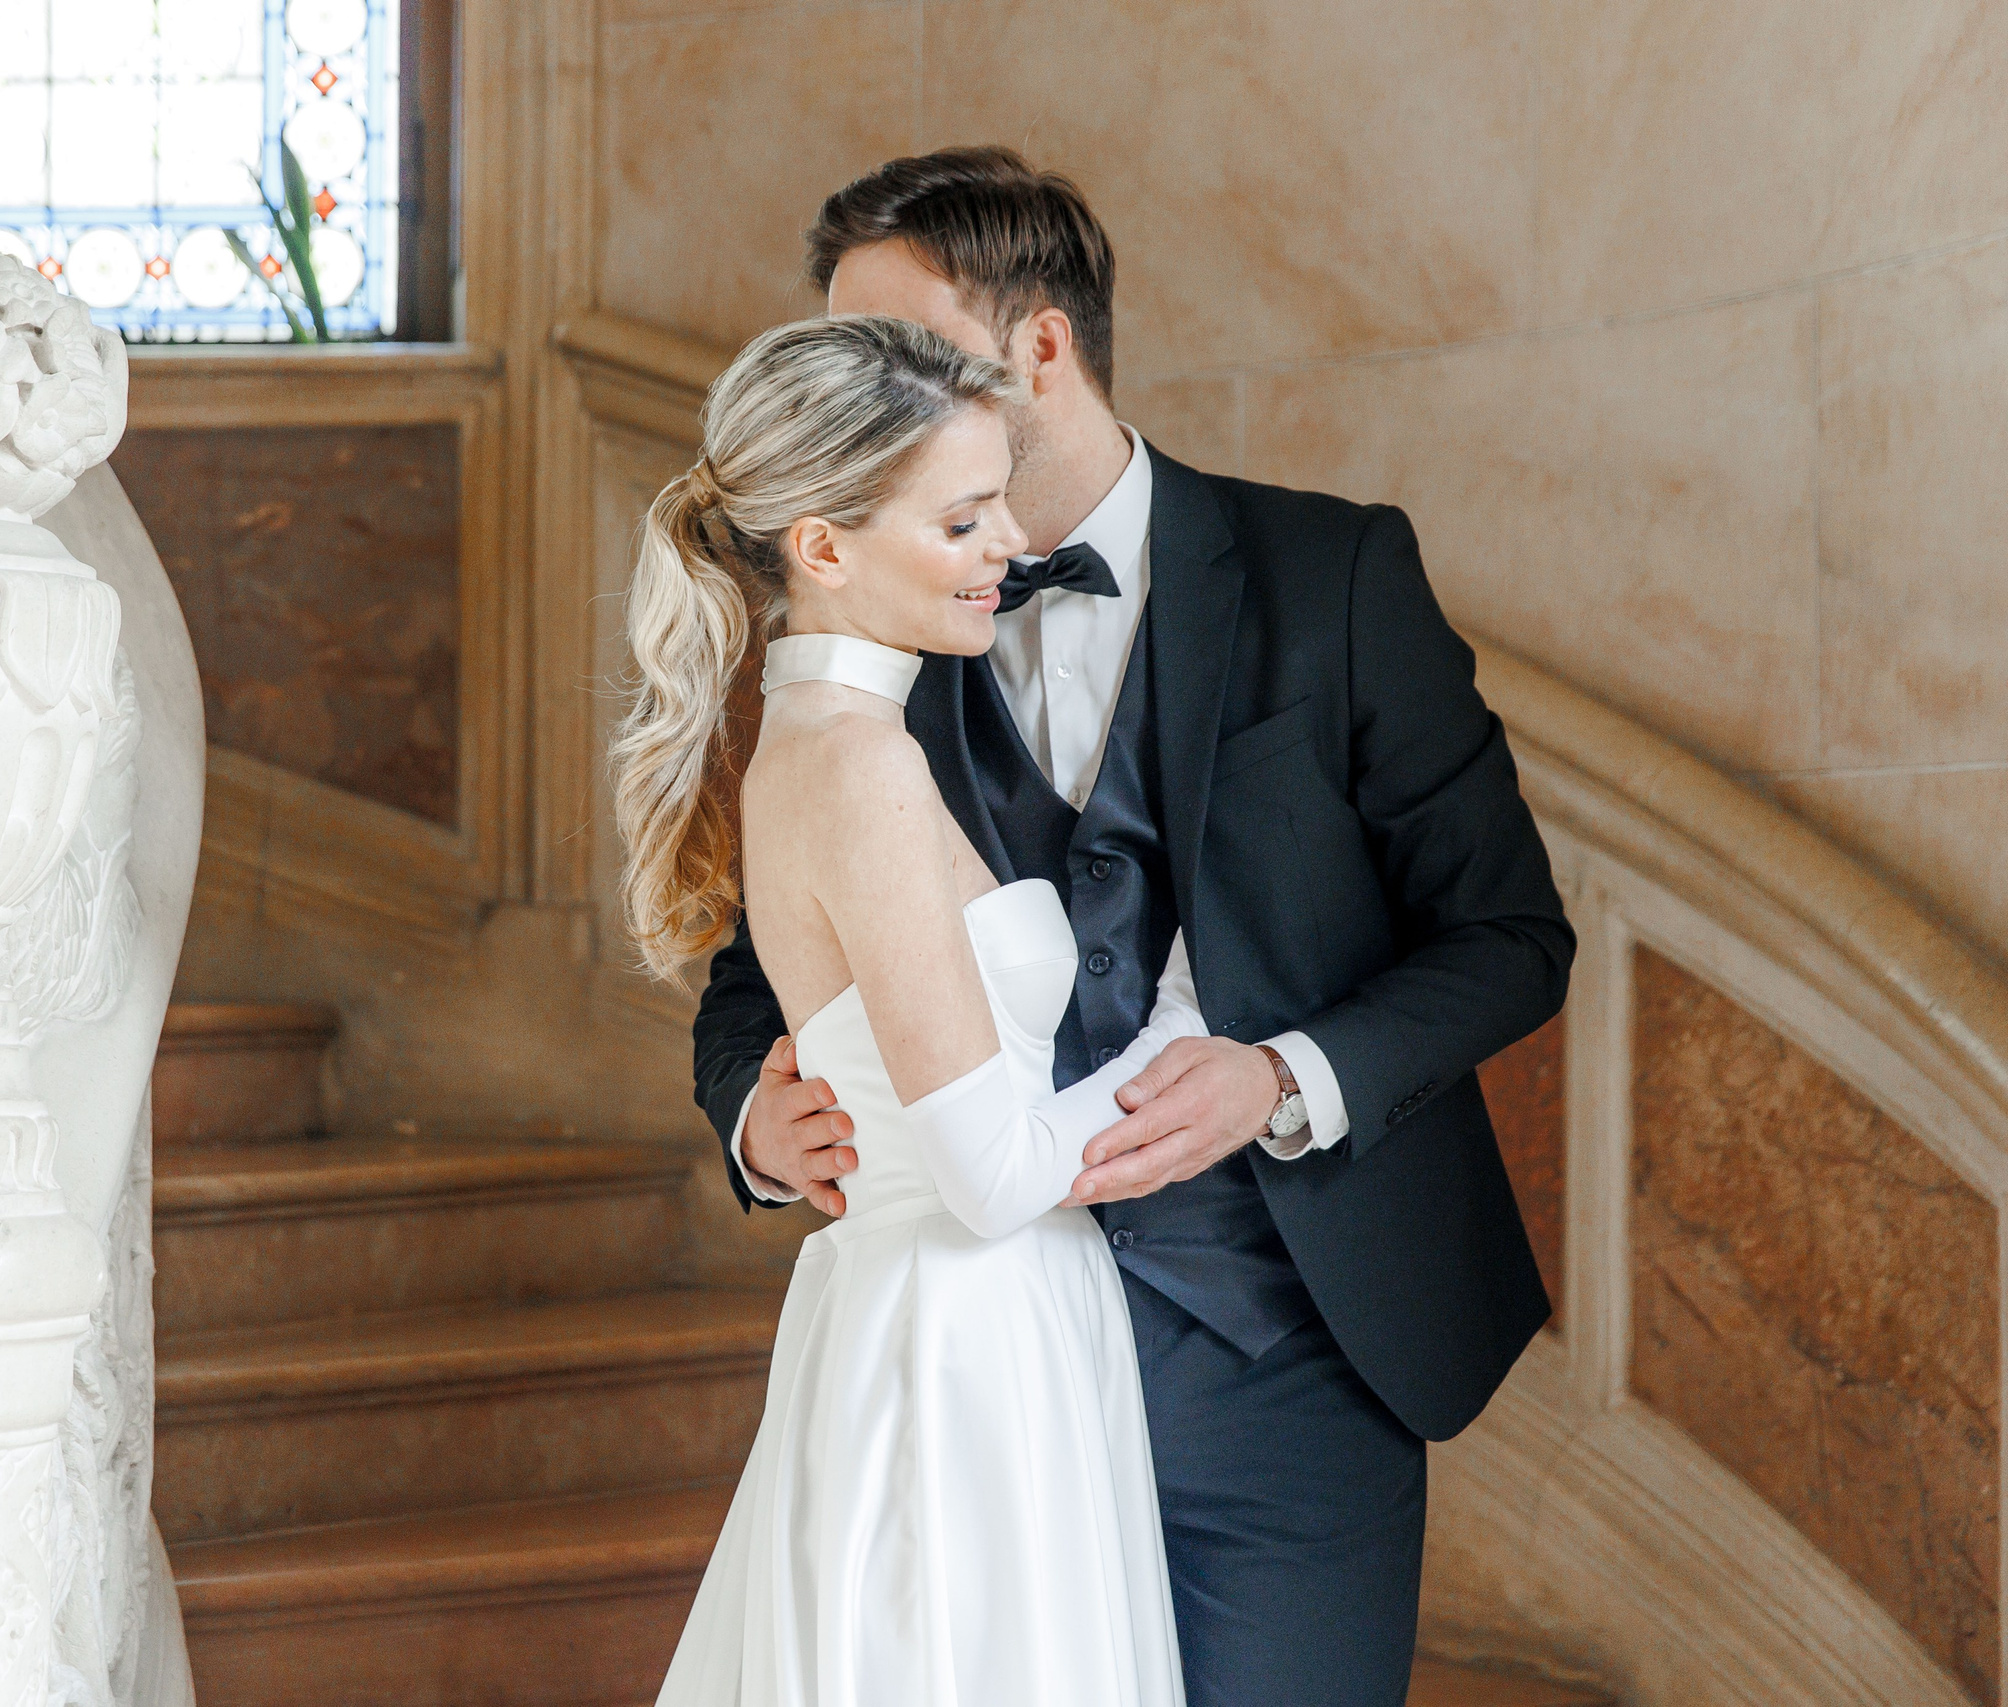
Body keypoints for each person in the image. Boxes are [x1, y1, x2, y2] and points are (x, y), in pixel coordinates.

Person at [690, 148, 1574, 1706]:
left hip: (1291, 1353)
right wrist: (758, 1116)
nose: (865, 397)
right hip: (987, 1379)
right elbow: (753, 969)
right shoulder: (876, 623)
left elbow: (1509, 935)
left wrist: (1282, 1076)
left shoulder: (1333, 575)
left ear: (1040, 348)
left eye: (901, 352)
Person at [616, 314, 1193, 1704]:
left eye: (999, 500)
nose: (1007, 540)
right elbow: (991, 1175)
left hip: (966, 1321)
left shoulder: (832, 737)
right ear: (823, 547)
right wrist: (1184, 1026)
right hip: (962, 1350)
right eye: (962, 517)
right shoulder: (858, 766)